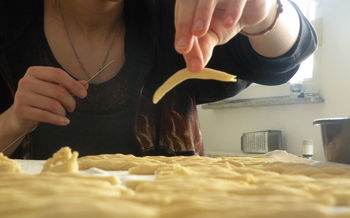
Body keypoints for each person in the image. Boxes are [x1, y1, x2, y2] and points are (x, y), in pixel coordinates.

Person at [0, 0, 316, 159]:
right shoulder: (11, 25)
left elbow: (279, 61)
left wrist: (264, 16)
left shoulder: (175, 15)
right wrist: (13, 121)